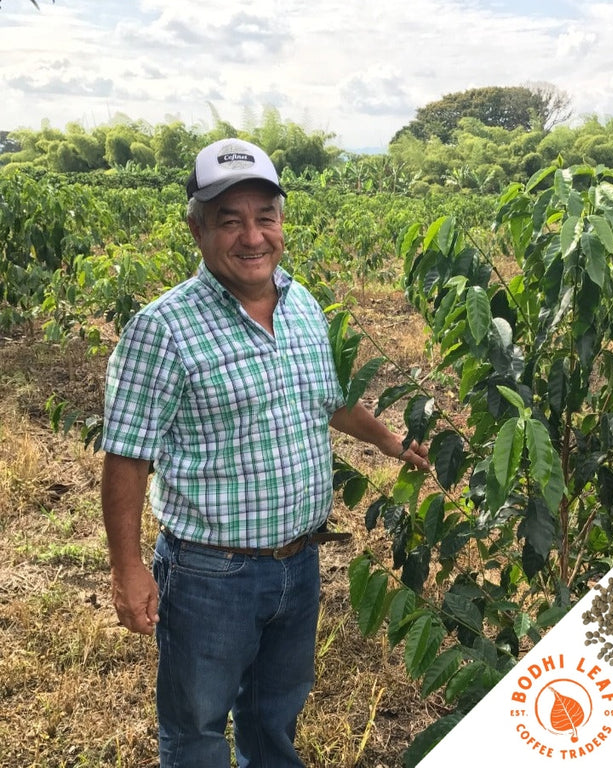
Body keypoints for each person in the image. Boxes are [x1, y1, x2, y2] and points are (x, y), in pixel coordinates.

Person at [100, 137, 430, 768]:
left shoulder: (302, 304)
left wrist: (388, 439)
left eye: (265, 217)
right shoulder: (162, 328)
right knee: (196, 726)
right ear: (197, 228)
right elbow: (126, 456)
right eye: (230, 220)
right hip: (209, 573)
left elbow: (326, 397)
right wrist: (127, 567)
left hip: (300, 562)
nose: (252, 237)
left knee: (275, 716)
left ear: (283, 223)